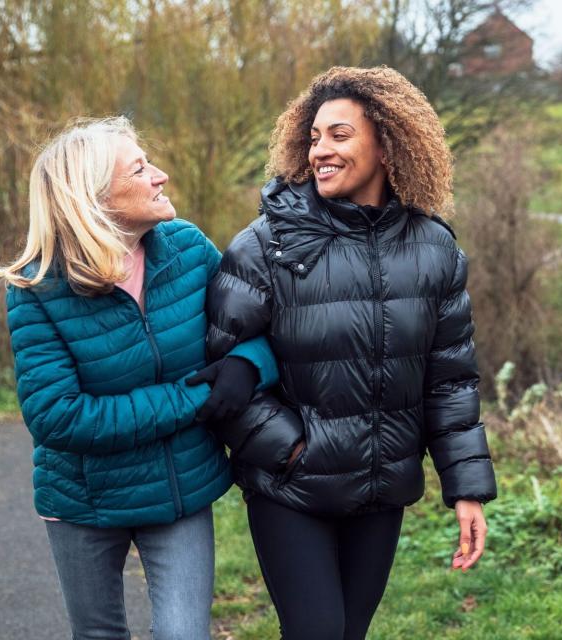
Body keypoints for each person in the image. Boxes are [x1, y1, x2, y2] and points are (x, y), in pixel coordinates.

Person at [201, 67, 498, 640]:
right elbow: (226, 367)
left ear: (388, 143)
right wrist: (291, 451)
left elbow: (450, 379)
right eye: (314, 138)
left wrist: (465, 489)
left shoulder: (435, 249)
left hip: (379, 491)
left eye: (339, 135)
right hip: (294, 489)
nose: (321, 151)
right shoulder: (265, 245)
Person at [0, 116, 276, 640]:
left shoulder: (187, 249)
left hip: (181, 491)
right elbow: (57, 416)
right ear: (92, 196)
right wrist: (193, 400)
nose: (160, 175)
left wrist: (248, 365)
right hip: (84, 501)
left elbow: (258, 327)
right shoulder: (36, 288)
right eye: (140, 168)